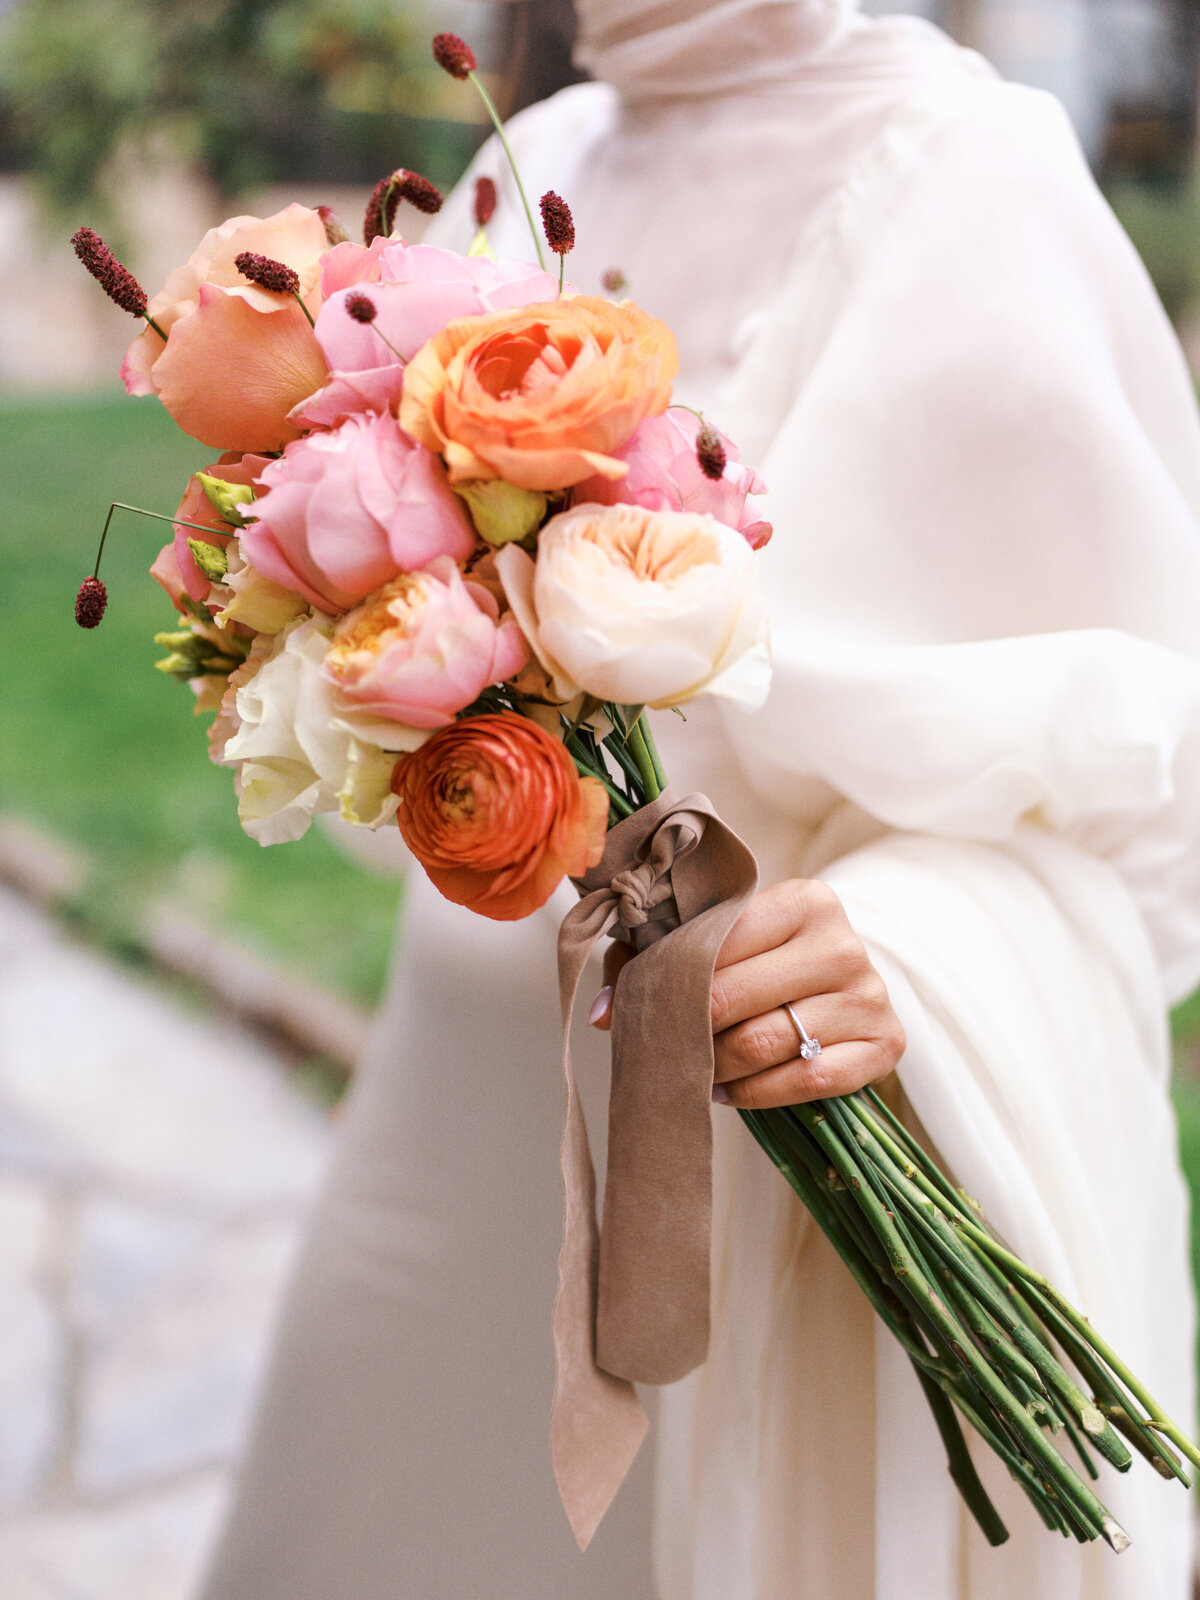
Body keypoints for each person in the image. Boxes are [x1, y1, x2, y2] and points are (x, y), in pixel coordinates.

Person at [197, 2, 1200, 1597]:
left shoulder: (980, 183)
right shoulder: (548, 157)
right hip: (454, 1117)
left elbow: (1128, 788)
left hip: (749, 1185)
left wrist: (904, 969)